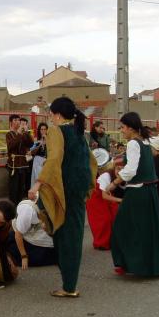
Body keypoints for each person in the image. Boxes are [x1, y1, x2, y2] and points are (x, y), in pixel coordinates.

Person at [28, 97, 95, 297]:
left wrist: (38, 183)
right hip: (78, 190)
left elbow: (54, 158)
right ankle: (70, 284)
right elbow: (91, 160)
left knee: (63, 235)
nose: (49, 117)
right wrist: (87, 185)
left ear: (56, 114)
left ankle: (69, 287)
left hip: (64, 190)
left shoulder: (56, 131)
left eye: (50, 113)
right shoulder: (79, 132)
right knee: (74, 235)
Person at [105, 112, 159, 278]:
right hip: (149, 191)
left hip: (137, 191)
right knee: (149, 229)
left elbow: (131, 170)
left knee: (122, 227)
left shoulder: (133, 144)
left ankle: (130, 263)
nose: (121, 130)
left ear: (130, 128)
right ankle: (156, 265)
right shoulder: (145, 142)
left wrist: (114, 183)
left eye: (122, 127)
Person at [6, 199, 57, 269]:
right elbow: (18, 234)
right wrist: (24, 256)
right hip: (20, 235)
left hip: (31, 230)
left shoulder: (49, 212)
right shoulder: (28, 213)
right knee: (37, 257)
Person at [86, 154, 123, 250]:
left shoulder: (124, 176)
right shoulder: (106, 176)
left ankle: (113, 240)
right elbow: (104, 196)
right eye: (118, 169)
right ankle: (101, 243)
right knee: (103, 219)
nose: (120, 172)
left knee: (115, 214)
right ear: (114, 168)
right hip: (96, 197)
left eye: (123, 169)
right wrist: (121, 200)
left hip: (108, 195)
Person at [5, 114, 33, 204]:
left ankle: (20, 205)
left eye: (18, 120)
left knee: (22, 187)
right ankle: (13, 206)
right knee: (14, 187)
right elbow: (11, 146)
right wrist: (19, 133)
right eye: (15, 120)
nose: (18, 122)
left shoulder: (23, 134)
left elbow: (30, 144)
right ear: (11, 122)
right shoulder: (9, 134)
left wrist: (26, 132)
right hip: (14, 164)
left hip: (23, 164)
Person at [30, 122, 48, 188]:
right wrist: (39, 144)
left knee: (45, 179)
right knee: (37, 177)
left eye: (45, 129)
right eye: (41, 129)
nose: (43, 131)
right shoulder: (36, 140)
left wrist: (46, 140)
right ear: (39, 130)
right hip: (37, 160)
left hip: (46, 161)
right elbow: (31, 151)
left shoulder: (50, 140)